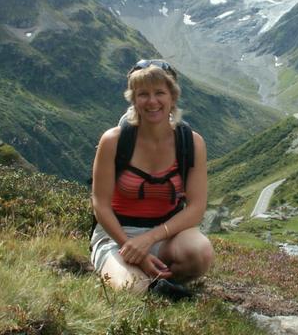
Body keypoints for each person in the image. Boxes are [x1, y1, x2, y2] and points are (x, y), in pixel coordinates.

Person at [90, 59, 213, 297]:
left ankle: (157, 281)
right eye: (143, 94)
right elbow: (100, 204)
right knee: (131, 289)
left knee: (200, 254)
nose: (152, 101)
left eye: (160, 93)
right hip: (117, 236)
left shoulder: (191, 143)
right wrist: (130, 246)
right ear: (133, 99)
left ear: (172, 97)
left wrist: (149, 239)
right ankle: (150, 283)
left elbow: (196, 208)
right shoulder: (113, 141)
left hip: (167, 234)